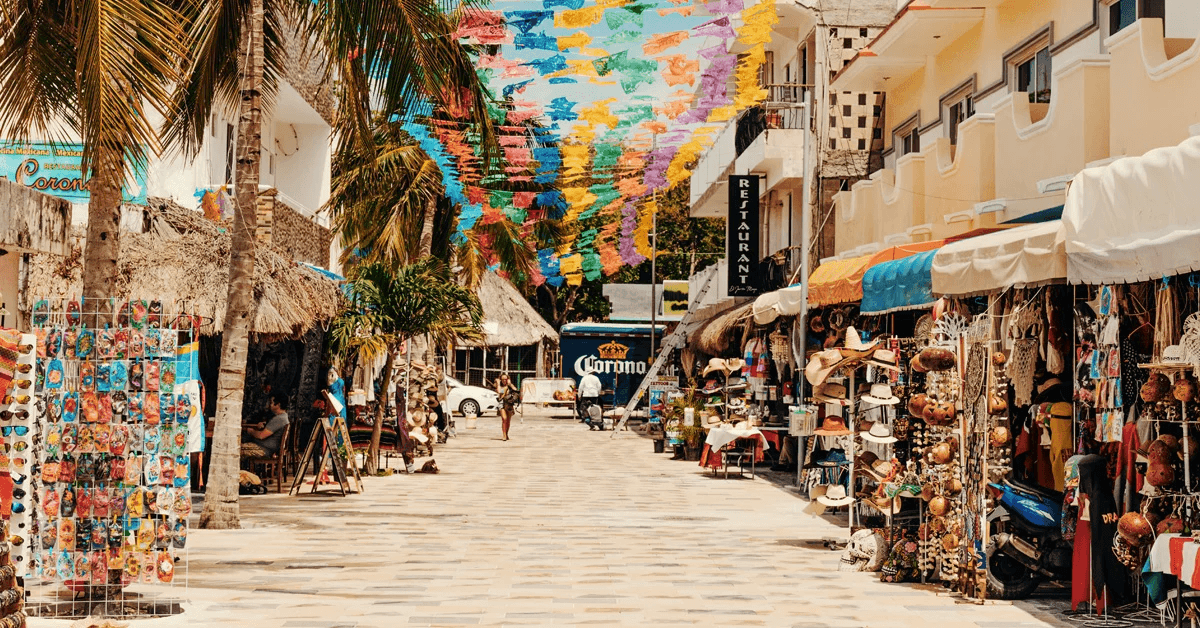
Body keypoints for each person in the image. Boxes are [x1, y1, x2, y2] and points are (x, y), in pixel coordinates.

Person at [242, 392, 290, 457]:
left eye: (271, 403)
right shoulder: (283, 417)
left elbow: (261, 436)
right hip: (268, 448)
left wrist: (250, 431)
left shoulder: (279, 419)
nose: (270, 405)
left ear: (278, 405)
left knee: (237, 448)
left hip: (264, 449)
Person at [495, 372, 517, 441]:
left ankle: (506, 434)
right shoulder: (500, 386)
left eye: (505, 379)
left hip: (509, 403)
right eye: (503, 379)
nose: (504, 381)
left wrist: (510, 384)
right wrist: (498, 383)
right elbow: (499, 392)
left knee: (508, 420)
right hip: (502, 403)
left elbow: (515, 390)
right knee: (504, 418)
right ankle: (504, 435)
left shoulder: (510, 385)